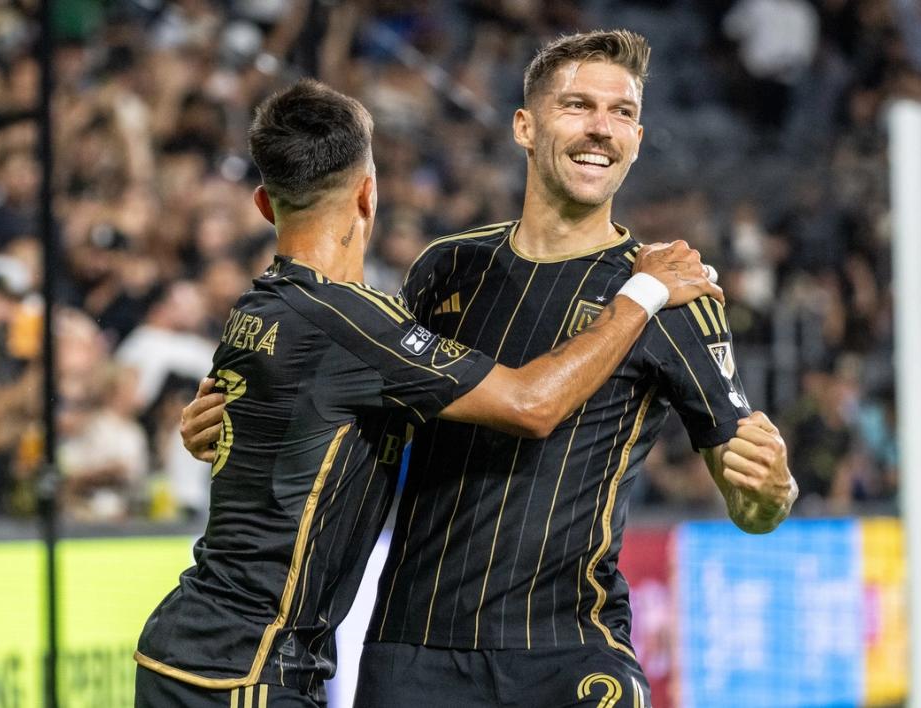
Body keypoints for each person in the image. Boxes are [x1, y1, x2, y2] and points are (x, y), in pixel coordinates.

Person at [135, 79, 720, 707]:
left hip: (195, 649)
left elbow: (256, 420)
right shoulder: (355, 325)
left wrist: (210, 429)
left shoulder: (260, 307)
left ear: (263, 204)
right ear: (368, 193)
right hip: (247, 668)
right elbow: (531, 405)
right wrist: (641, 294)